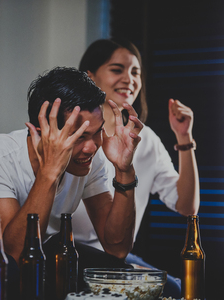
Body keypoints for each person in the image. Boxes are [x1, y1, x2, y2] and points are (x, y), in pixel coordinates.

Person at [0, 66, 144, 296]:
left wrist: (124, 170)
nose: (91, 147)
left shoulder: (90, 158)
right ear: (42, 130)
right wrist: (49, 173)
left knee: (123, 277)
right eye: (77, 136)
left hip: (44, 254)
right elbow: (13, 257)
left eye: (96, 132)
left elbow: (117, 248)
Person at [75, 37, 199, 298]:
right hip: (72, 252)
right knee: (173, 288)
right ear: (90, 76)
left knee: (179, 288)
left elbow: (187, 206)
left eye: (135, 72)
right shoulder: (75, 132)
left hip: (115, 254)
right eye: (117, 69)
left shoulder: (147, 139)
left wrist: (184, 139)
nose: (129, 79)